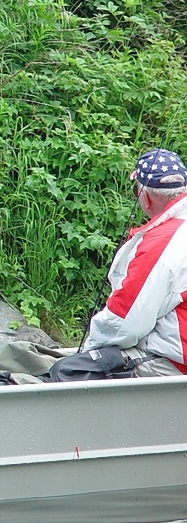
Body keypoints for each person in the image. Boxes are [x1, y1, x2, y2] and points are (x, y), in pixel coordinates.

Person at [65, 147, 187, 377]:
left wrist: (87, 350)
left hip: (175, 365)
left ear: (145, 196)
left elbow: (124, 323)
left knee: (70, 371)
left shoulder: (164, 241)